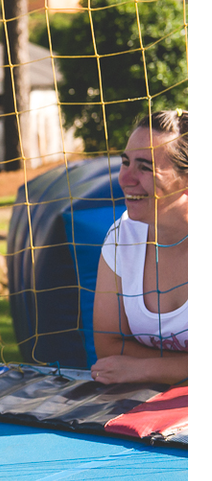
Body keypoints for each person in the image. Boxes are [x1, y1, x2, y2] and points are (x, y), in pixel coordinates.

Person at [90, 110, 187, 385]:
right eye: (125, 162)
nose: (125, 178)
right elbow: (109, 347)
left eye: (144, 167)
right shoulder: (123, 237)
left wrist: (143, 368)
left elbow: (123, 364)